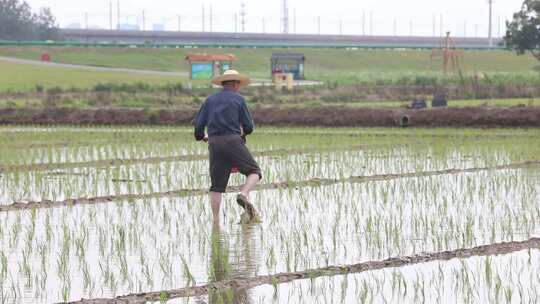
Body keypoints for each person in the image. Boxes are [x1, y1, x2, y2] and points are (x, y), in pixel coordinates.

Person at [194, 70, 262, 225]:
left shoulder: (210, 100)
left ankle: (216, 223)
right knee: (255, 172)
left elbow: (198, 126)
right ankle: (243, 194)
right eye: (239, 84)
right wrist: (242, 134)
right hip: (233, 140)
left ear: (223, 84)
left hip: (214, 143)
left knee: (216, 187)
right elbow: (249, 127)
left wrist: (202, 137)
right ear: (236, 84)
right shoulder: (239, 99)